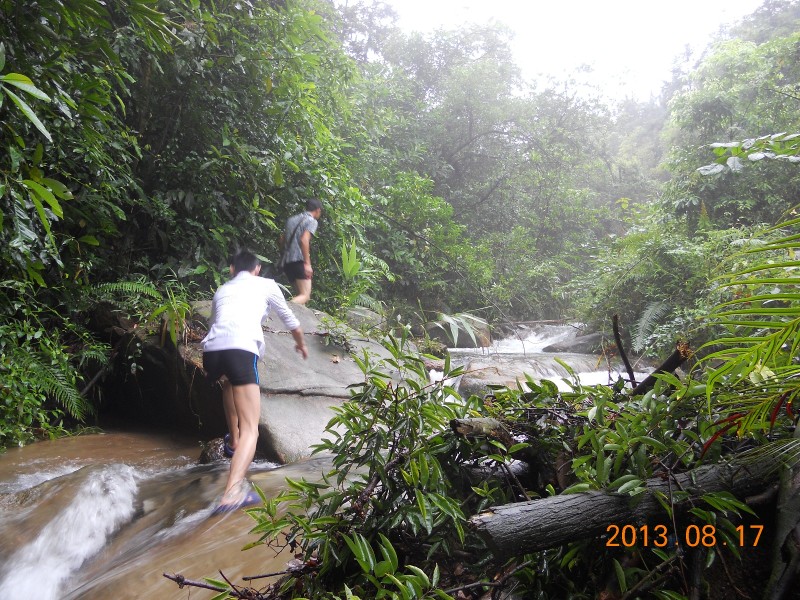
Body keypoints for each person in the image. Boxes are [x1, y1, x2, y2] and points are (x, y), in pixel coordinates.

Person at [202, 250, 308, 511]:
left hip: (212, 352)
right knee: (254, 429)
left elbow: (214, 323)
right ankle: (232, 492)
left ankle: (234, 441)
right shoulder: (267, 285)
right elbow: (291, 320)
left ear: (231, 269)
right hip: (240, 349)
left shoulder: (222, 290)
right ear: (257, 269)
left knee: (229, 382)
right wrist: (301, 345)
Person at [280, 198, 323, 305]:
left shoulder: (291, 220)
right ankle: (281, 311)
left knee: (300, 296)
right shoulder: (312, 221)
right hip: (299, 262)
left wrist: (284, 254)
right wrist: (307, 264)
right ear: (317, 210)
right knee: (305, 295)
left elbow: (281, 240)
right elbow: (304, 240)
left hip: (288, 263)